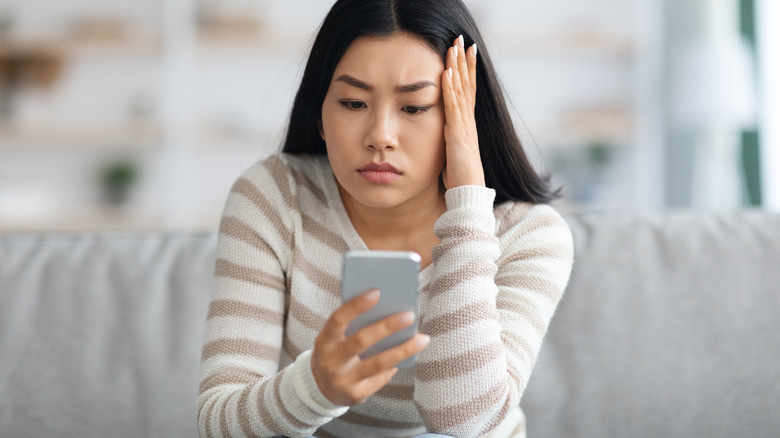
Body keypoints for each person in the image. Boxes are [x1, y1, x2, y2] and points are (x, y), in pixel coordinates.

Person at [197, 0, 574, 437]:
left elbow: (462, 419)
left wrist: (467, 202)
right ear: (319, 112)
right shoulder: (275, 197)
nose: (380, 136)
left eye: (414, 107)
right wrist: (314, 388)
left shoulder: (530, 235)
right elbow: (217, 422)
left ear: (463, 117)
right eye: (354, 102)